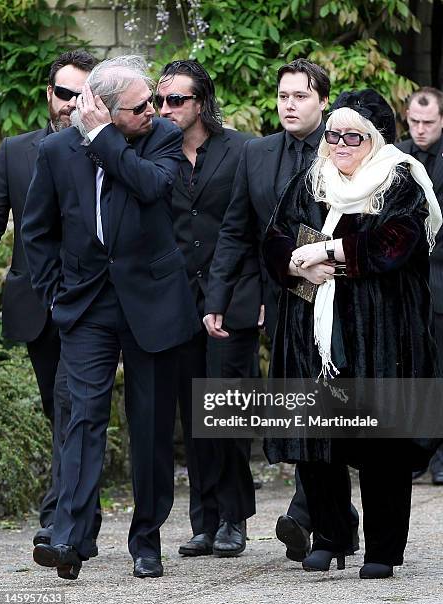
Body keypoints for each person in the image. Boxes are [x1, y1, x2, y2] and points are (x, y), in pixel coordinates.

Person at [22, 55, 199, 580]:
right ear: (102, 106)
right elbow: (38, 230)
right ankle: (69, 538)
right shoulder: (55, 150)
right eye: (140, 105)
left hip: (152, 301)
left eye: (153, 101)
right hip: (87, 303)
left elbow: (150, 187)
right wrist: (55, 295)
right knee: (81, 419)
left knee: (148, 427)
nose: (154, 109)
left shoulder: (162, 137)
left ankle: (146, 541)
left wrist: (105, 140)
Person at [263, 89, 442, 578]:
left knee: (381, 442)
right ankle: (331, 535)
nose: (339, 144)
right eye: (334, 135)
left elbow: (394, 241)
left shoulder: (399, 179)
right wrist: (297, 266)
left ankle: (383, 549)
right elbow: (277, 235)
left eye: (352, 136)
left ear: (375, 139)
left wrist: (325, 253)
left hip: (379, 328)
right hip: (313, 327)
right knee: (319, 440)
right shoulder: (311, 178)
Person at [203, 58, 358, 561]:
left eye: (301, 97)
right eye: (283, 96)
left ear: (323, 101)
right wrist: (219, 297)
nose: (289, 105)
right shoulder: (257, 153)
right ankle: (327, 513)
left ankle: (309, 511)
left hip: (338, 295)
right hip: (281, 296)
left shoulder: (344, 150)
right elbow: (235, 229)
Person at [0, 49, 100, 551]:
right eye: (64, 93)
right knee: (58, 409)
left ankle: (59, 520)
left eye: (83, 95)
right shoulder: (14, 150)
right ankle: (85, 516)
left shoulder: (111, 148)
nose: (71, 105)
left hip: (90, 303)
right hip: (36, 305)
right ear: (48, 95)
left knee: (70, 403)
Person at [156, 60, 259, 557]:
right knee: (192, 414)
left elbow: (256, 227)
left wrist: (257, 294)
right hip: (176, 302)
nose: (165, 109)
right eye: (160, 101)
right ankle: (204, 519)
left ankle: (234, 517)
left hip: (232, 297)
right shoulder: (154, 150)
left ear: (201, 102)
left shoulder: (240, 149)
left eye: (176, 100)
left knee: (227, 410)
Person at [397, 87, 443, 485]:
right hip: (409, 282)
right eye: (415, 121)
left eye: (429, 122)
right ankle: (417, 448)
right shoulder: (397, 156)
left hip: (441, 274)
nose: (421, 129)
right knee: (413, 368)